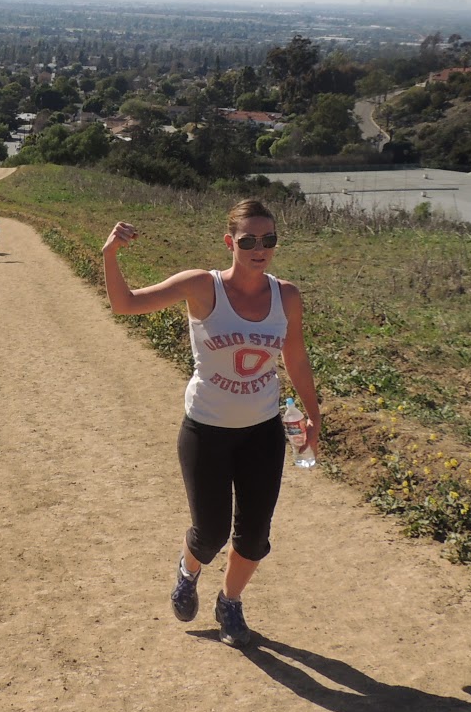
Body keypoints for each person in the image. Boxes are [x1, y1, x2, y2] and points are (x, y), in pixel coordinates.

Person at [102, 199, 321, 648]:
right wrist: (109, 254)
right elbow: (125, 305)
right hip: (206, 429)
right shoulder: (202, 287)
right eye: (249, 241)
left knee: (255, 535)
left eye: (269, 240)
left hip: (262, 431)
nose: (260, 249)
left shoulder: (287, 296)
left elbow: (295, 356)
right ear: (230, 243)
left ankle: (231, 602)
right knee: (210, 532)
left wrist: (313, 412)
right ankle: (188, 570)